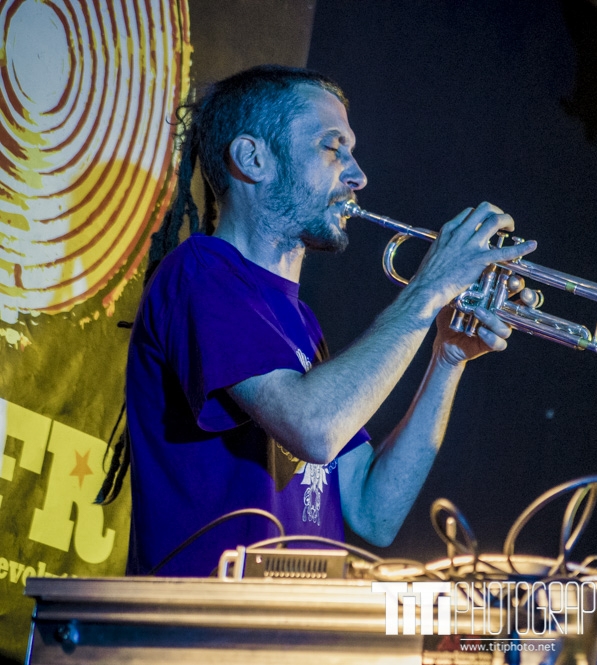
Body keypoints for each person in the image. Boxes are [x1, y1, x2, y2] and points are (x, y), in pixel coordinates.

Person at [122, 65, 536, 576]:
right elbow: (313, 428)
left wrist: (446, 357)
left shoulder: (301, 322)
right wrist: (427, 291)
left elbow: (373, 512)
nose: (358, 176)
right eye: (332, 147)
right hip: (203, 617)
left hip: (294, 616)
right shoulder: (201, 272)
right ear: (253, 159)